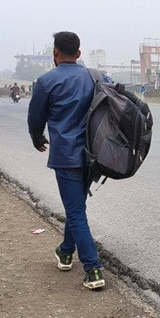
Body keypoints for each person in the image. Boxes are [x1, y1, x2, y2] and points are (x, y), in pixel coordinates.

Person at [27, 31, 105, 291]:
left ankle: (93, 268)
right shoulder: (96, 76)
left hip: (66, 156)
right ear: (79, 53)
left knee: (75, 212)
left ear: (55, 52)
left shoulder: (46, 81)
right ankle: (65, 251)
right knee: (77, 206)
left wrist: (37, 137)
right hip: (94, 155)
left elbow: (35, 117)